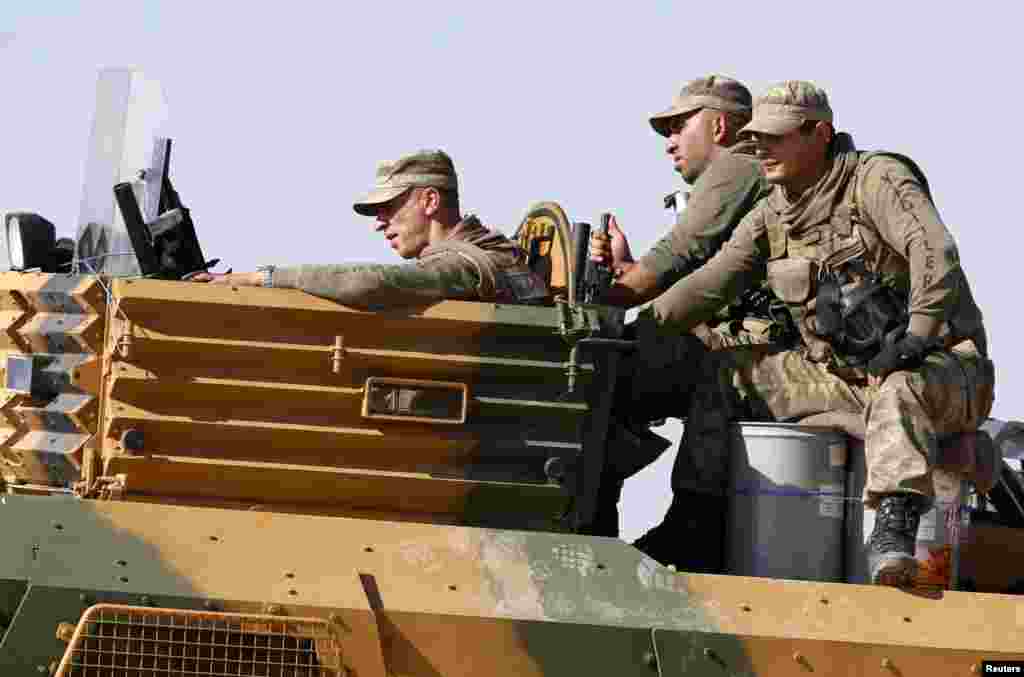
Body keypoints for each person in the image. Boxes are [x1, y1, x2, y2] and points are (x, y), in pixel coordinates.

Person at [641, 81, 993, 586]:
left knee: (899, 388)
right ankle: (695, 520)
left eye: (776, 137)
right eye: (756, 136)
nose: (761, 147)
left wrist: (917, 336)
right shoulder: (774, 213)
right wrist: (637, 328)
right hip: (845, 378)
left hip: (945, 371)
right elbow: (708, 284)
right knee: (729, 374)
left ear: (820, 133)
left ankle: (893, 530)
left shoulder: (876, 179)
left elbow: (934, 251)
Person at [581, 76, 778, 565]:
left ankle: (598, 531)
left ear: (719, 124)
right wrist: (628, 272)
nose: (668, 142)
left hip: (749, 340)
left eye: (677, 126)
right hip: (730, 330)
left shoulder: (738, 164)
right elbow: (693, 268)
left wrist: (607, 298)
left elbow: (680, 252)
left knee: (603, 375)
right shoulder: (742, 176)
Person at [190, 149, 548, 307]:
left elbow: (371, 281)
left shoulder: (466, 265)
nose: (381, 225)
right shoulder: (485, 256)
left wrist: (259, 279)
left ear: (430, 201)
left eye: (389, 208)